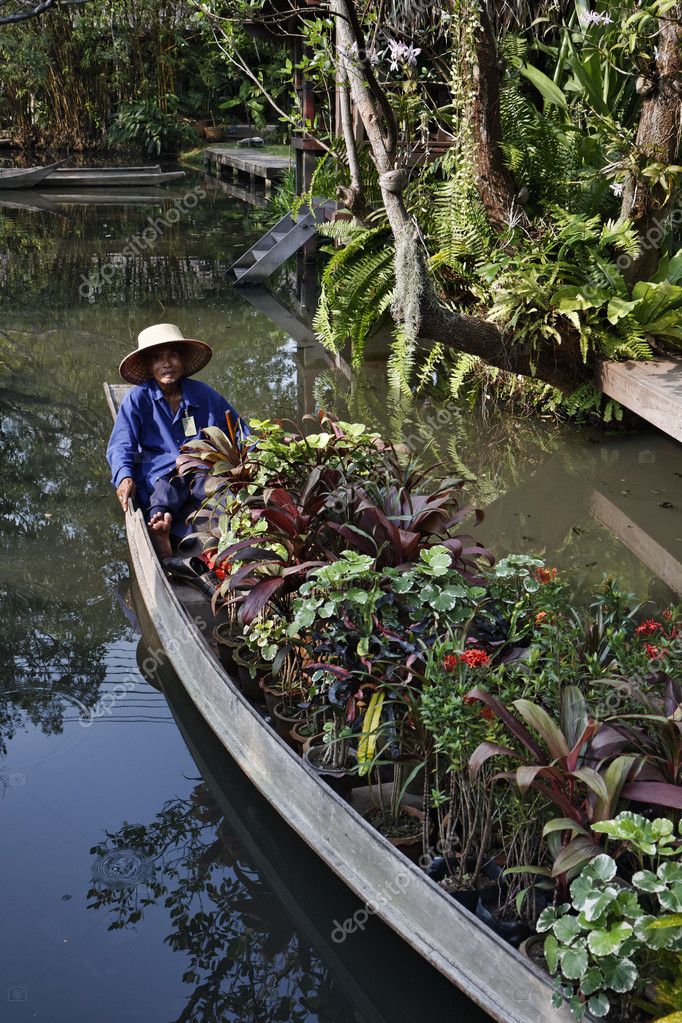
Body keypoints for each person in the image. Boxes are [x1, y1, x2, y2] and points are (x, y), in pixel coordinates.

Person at [107, 323, 248, 559]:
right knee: (162, 499)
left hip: (200, 471)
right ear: (150, 368)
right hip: (160, 476)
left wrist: (255, 456)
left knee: (223, 497)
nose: (166, 364)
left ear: (181, 361)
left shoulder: (203, 394)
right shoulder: (137, 399)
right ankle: (163, 527)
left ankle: (233, 530)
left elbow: (240, 431)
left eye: (172, 355)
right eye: (157, 359)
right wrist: (124, 476)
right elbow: (121, 444)